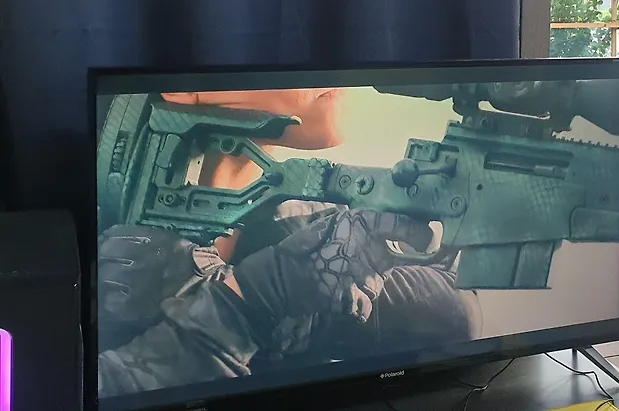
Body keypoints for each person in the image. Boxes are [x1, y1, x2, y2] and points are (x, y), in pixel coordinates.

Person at [97, 88, 482, 397]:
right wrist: (251, 301)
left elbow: (454, 320)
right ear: (184, 90)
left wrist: (277, 303)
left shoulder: (314, 223)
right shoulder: (104, 243)